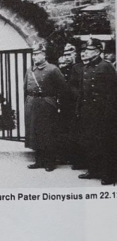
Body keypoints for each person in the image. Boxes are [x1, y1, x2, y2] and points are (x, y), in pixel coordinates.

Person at [77, 37, 117, 185]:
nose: (87, 52)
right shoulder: (85, 68)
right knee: (90, 142)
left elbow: (113, 92)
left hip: (103, 112)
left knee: (105, 143)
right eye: (86, 50)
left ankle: (109, 174)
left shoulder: (106, 67)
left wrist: (109, 113)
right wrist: (79, 110)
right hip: (88, 112)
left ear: (98, 51)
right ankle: (93, 170)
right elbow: (82, 92)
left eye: (90, 50)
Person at [24, 43, 68, 172]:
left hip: (47, 104)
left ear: (44, 55)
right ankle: (39, 161)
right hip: (33, 103)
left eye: (37, 54)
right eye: (34, 54)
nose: (34, 57)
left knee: (48, 133)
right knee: (35, 132)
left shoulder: (53, 69)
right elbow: (25, 88)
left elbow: (63, 89)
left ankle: (50, 162)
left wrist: (57, 104)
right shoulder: (30, 70)